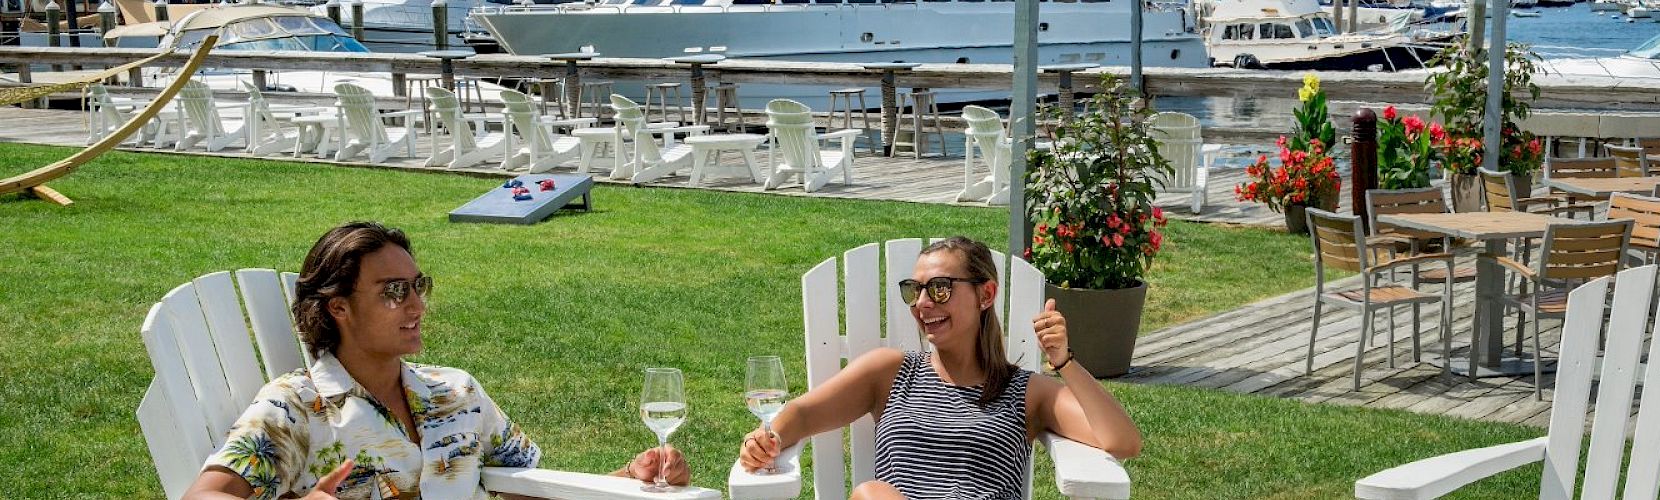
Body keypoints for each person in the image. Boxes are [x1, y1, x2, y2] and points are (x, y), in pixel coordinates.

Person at [186, 222, 689, 500]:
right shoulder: (295, 406)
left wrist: (625, 479)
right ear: (338, 307)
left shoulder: (457, 392)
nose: (416, 306)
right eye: (393, 292)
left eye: (417, 287)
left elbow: (527, 488)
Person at [737, 236, 1143, 500]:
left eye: (940, 289)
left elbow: (1122, 441)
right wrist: (765, 437)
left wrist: (1064, 362)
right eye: (914, 291)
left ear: (986, 295)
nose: (922, 304)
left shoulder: (1026, 392)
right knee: (872, 495)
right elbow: (805, 413)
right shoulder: (891, 373)